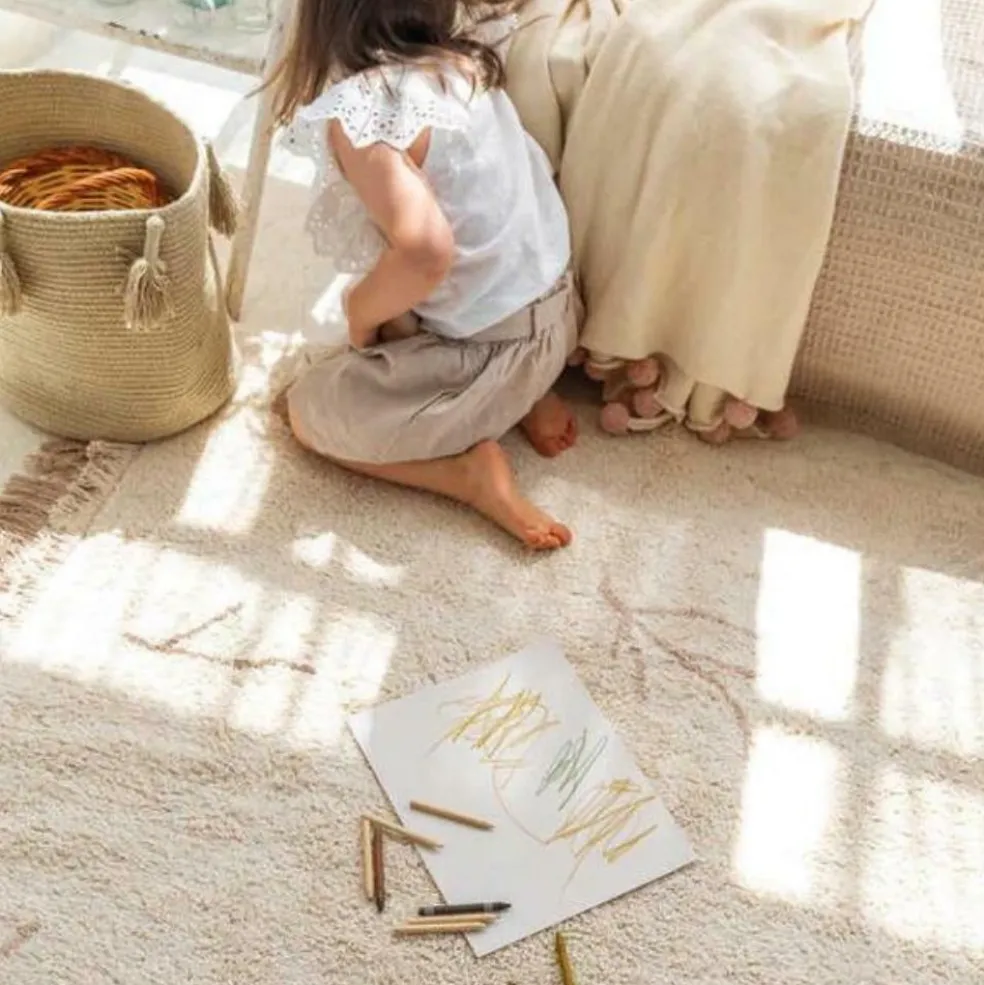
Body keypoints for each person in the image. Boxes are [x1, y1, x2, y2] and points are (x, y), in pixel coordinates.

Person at [270, 0, 580, 550]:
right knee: (416, 287)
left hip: (493, 353)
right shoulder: (460, 63)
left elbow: (426, 250)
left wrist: (358, 312)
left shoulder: (367, 111)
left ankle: (465, 475)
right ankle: (525, 397)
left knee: (308, 411)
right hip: (559, 320)